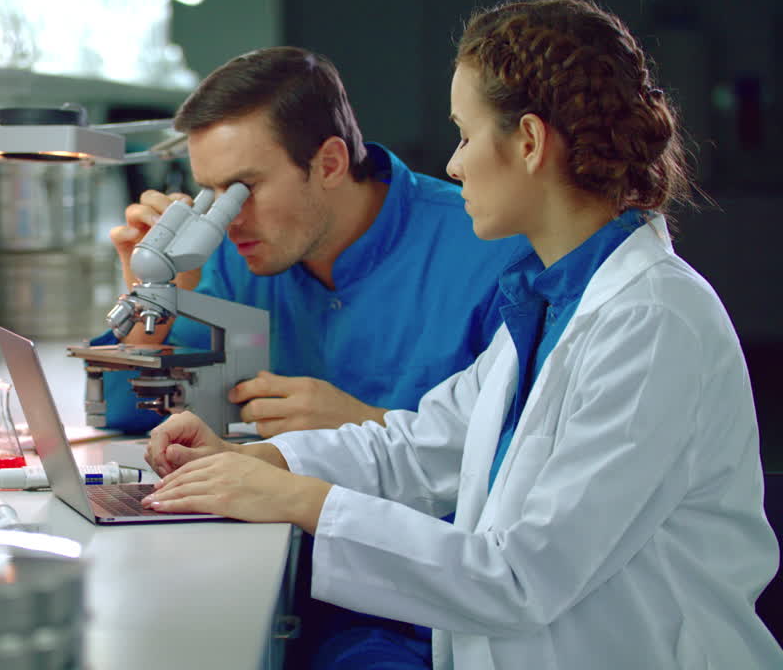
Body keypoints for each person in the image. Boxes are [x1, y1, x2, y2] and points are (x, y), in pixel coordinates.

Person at [138, 0, 783, 669]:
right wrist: (257, 463)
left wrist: (298, 498)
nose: (452, 164)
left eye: (467, 135)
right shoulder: (554, 302)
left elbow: (519, 577)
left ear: (529, 143)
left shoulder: (652, 322)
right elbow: (417, 448)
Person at [98, 46, 522, 439]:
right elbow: (123, 412)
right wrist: (152, 293)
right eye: (212, 193)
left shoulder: (488, 246)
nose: (228, 220)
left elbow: (525, 457)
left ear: (330, 164)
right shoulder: (232, 254)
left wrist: (369, 426)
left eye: (243, 188)